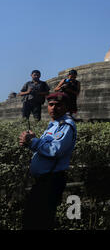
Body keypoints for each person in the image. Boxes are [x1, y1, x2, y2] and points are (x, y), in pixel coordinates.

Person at [19, 92, 77, 230]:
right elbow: (45, 151)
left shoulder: (66, 125)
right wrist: (30, 142)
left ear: (66, 107)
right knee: (34, 220)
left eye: (58, 105)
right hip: (43, 180)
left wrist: (33, 141)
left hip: (51, 180)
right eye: (51, 105)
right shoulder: (54, 124)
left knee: (38, 221)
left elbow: (54, 151)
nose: (53, 108)